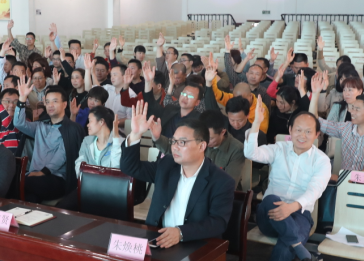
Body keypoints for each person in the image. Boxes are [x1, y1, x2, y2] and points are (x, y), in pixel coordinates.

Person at [245, 105, 331, 261]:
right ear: (290, 130)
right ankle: (304, 254)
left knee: (285, 246)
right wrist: (256, 124)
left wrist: (291, 207)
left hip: (299, 214)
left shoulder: (322, 160)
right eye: (298, 130)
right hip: (269, 214)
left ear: (317, 135)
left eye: (308, 131)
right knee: (272, 199)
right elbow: (251, 154)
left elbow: (315, 190)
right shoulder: (278, 149)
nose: (302, 135)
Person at [120, 100, 235, 248]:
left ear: (201, 146)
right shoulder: (167, 165)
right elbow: (130, 167)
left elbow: (218, 223)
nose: (175, 147)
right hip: (157, 240)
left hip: (194, 246)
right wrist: (136, 134)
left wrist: (181, 233)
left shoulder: (221, 181)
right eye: (174, 141)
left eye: (182, 142)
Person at [13, 84, 85, 203]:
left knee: (20, 183)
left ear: (64, 104)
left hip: (56, 179)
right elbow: (19, 123)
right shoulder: (40, 125)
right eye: (47, 102)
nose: (50, 105)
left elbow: (62, 156)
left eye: (55, 101)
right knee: (29, 198)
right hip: (34, 176)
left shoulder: (72, 129)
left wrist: (42, 172)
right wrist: (22, 99)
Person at [310, 74, 364, 174]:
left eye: (356, 109)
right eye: (352, 108)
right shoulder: (346, 127)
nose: (352, 112)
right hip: (343, 178)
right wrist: (315, 94)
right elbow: (315, 121)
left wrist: (344, 178)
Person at [58, 107, 123, 210]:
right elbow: (79, 164)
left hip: (109, 192)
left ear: (101, 122)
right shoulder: (87, 141)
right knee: (63, 207)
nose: (87, 125)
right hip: (87, 188)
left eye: (90, 121)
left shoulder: (119, 143)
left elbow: (116, 170)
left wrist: (116, 141)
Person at [200, 110, 245, 191]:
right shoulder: (197, 141)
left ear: (222, 132)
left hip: (221, 193)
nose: (205, 142)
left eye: (210, 138)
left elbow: (229, 184)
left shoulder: (237, 150)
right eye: (202, 137)